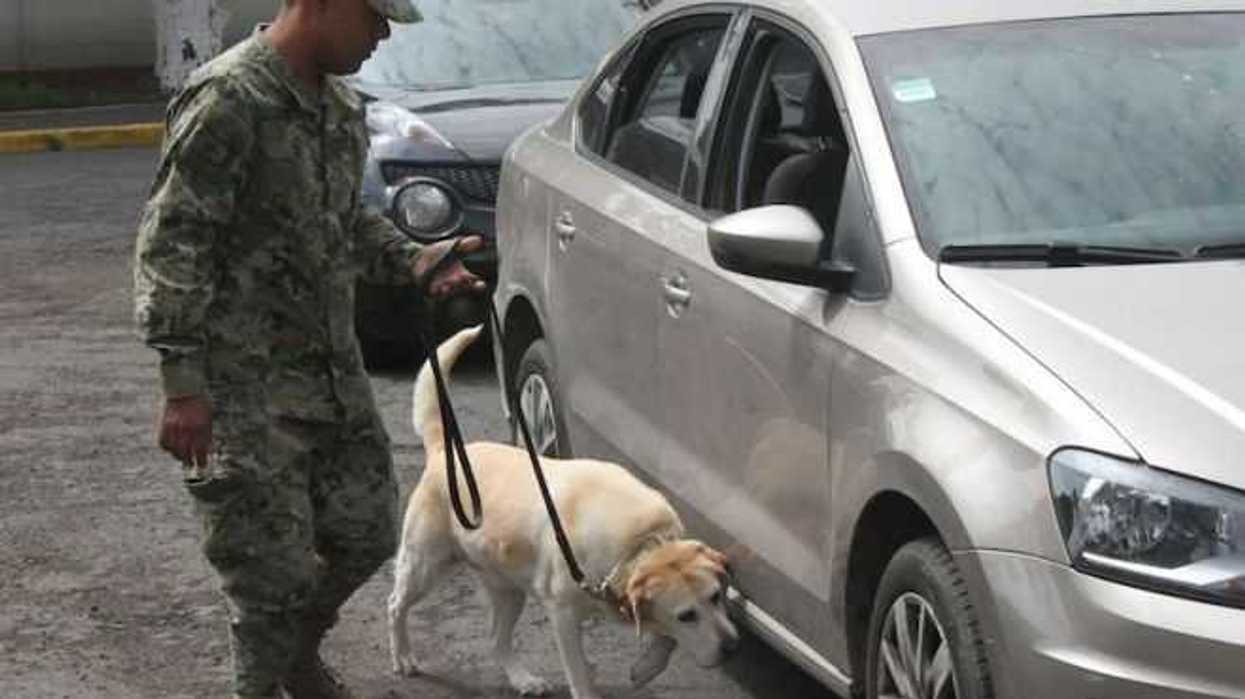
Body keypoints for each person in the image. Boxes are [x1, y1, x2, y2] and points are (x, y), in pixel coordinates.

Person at [133, 0, 482, 697]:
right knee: (269, 580)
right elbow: (173, 243)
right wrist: (182, 383)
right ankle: (266, 678)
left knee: (368, 532)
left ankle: (292, 655)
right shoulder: (229, 99)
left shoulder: (339, 107)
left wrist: (417, 261)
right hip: (242, 388)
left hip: (330, 376)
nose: (382, 34)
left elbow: (344, 220)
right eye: (374, 17)